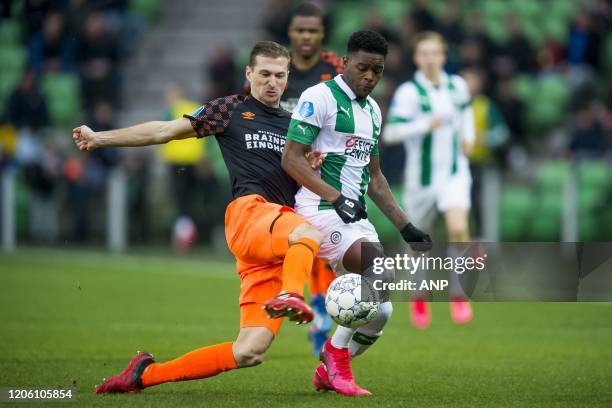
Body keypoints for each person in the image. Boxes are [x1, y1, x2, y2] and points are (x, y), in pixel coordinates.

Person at [75, 41, 326, 393]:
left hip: (273, 242)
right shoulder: (230, 109)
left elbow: (307, 177)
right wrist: (100, 138)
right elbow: (164, 131)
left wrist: (312, 165)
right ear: (249, 74)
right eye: (265, 74)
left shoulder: (295, 124)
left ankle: (143, 375)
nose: (272, 82)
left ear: (288, 78)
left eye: (279, 76)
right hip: (251, 214)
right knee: (307, 235)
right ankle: (292, 295)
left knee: (249, 351)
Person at [283, 30, 432, 396]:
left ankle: (327, 370)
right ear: (346, 62)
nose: (369, 77)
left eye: (377, 71)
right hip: (320, 209)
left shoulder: (373, 111)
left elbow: (375, 178)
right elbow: (291, 158)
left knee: (381, 313)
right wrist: (335, 197)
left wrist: (406, 226)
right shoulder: (319, 97)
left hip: (354, 217)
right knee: (379, 270)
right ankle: (335, 354)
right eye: (363, 68)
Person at [382, 31, 475, 329]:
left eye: (435, 52)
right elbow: (391, 133)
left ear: (443, 56)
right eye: (424, 53)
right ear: (416, 58)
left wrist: (469, 138)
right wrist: (425, 124)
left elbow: (467, 114)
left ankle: (458, 294)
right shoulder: (409, 92)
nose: (430, 58)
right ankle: (419, 294)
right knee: (418, 243)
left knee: (459, 228)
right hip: (420, 180)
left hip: (454, 173)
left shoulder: (456, 86)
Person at [284, 1, 344, 356]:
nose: (306, 37)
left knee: (323, 244)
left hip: (323, 172)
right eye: (300, 30)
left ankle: (322, 315)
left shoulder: (335, 68)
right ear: (291, 33)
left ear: (322, 34)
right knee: (302, 245)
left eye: (312, 31)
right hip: (283, 168)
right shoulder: (279, 69)